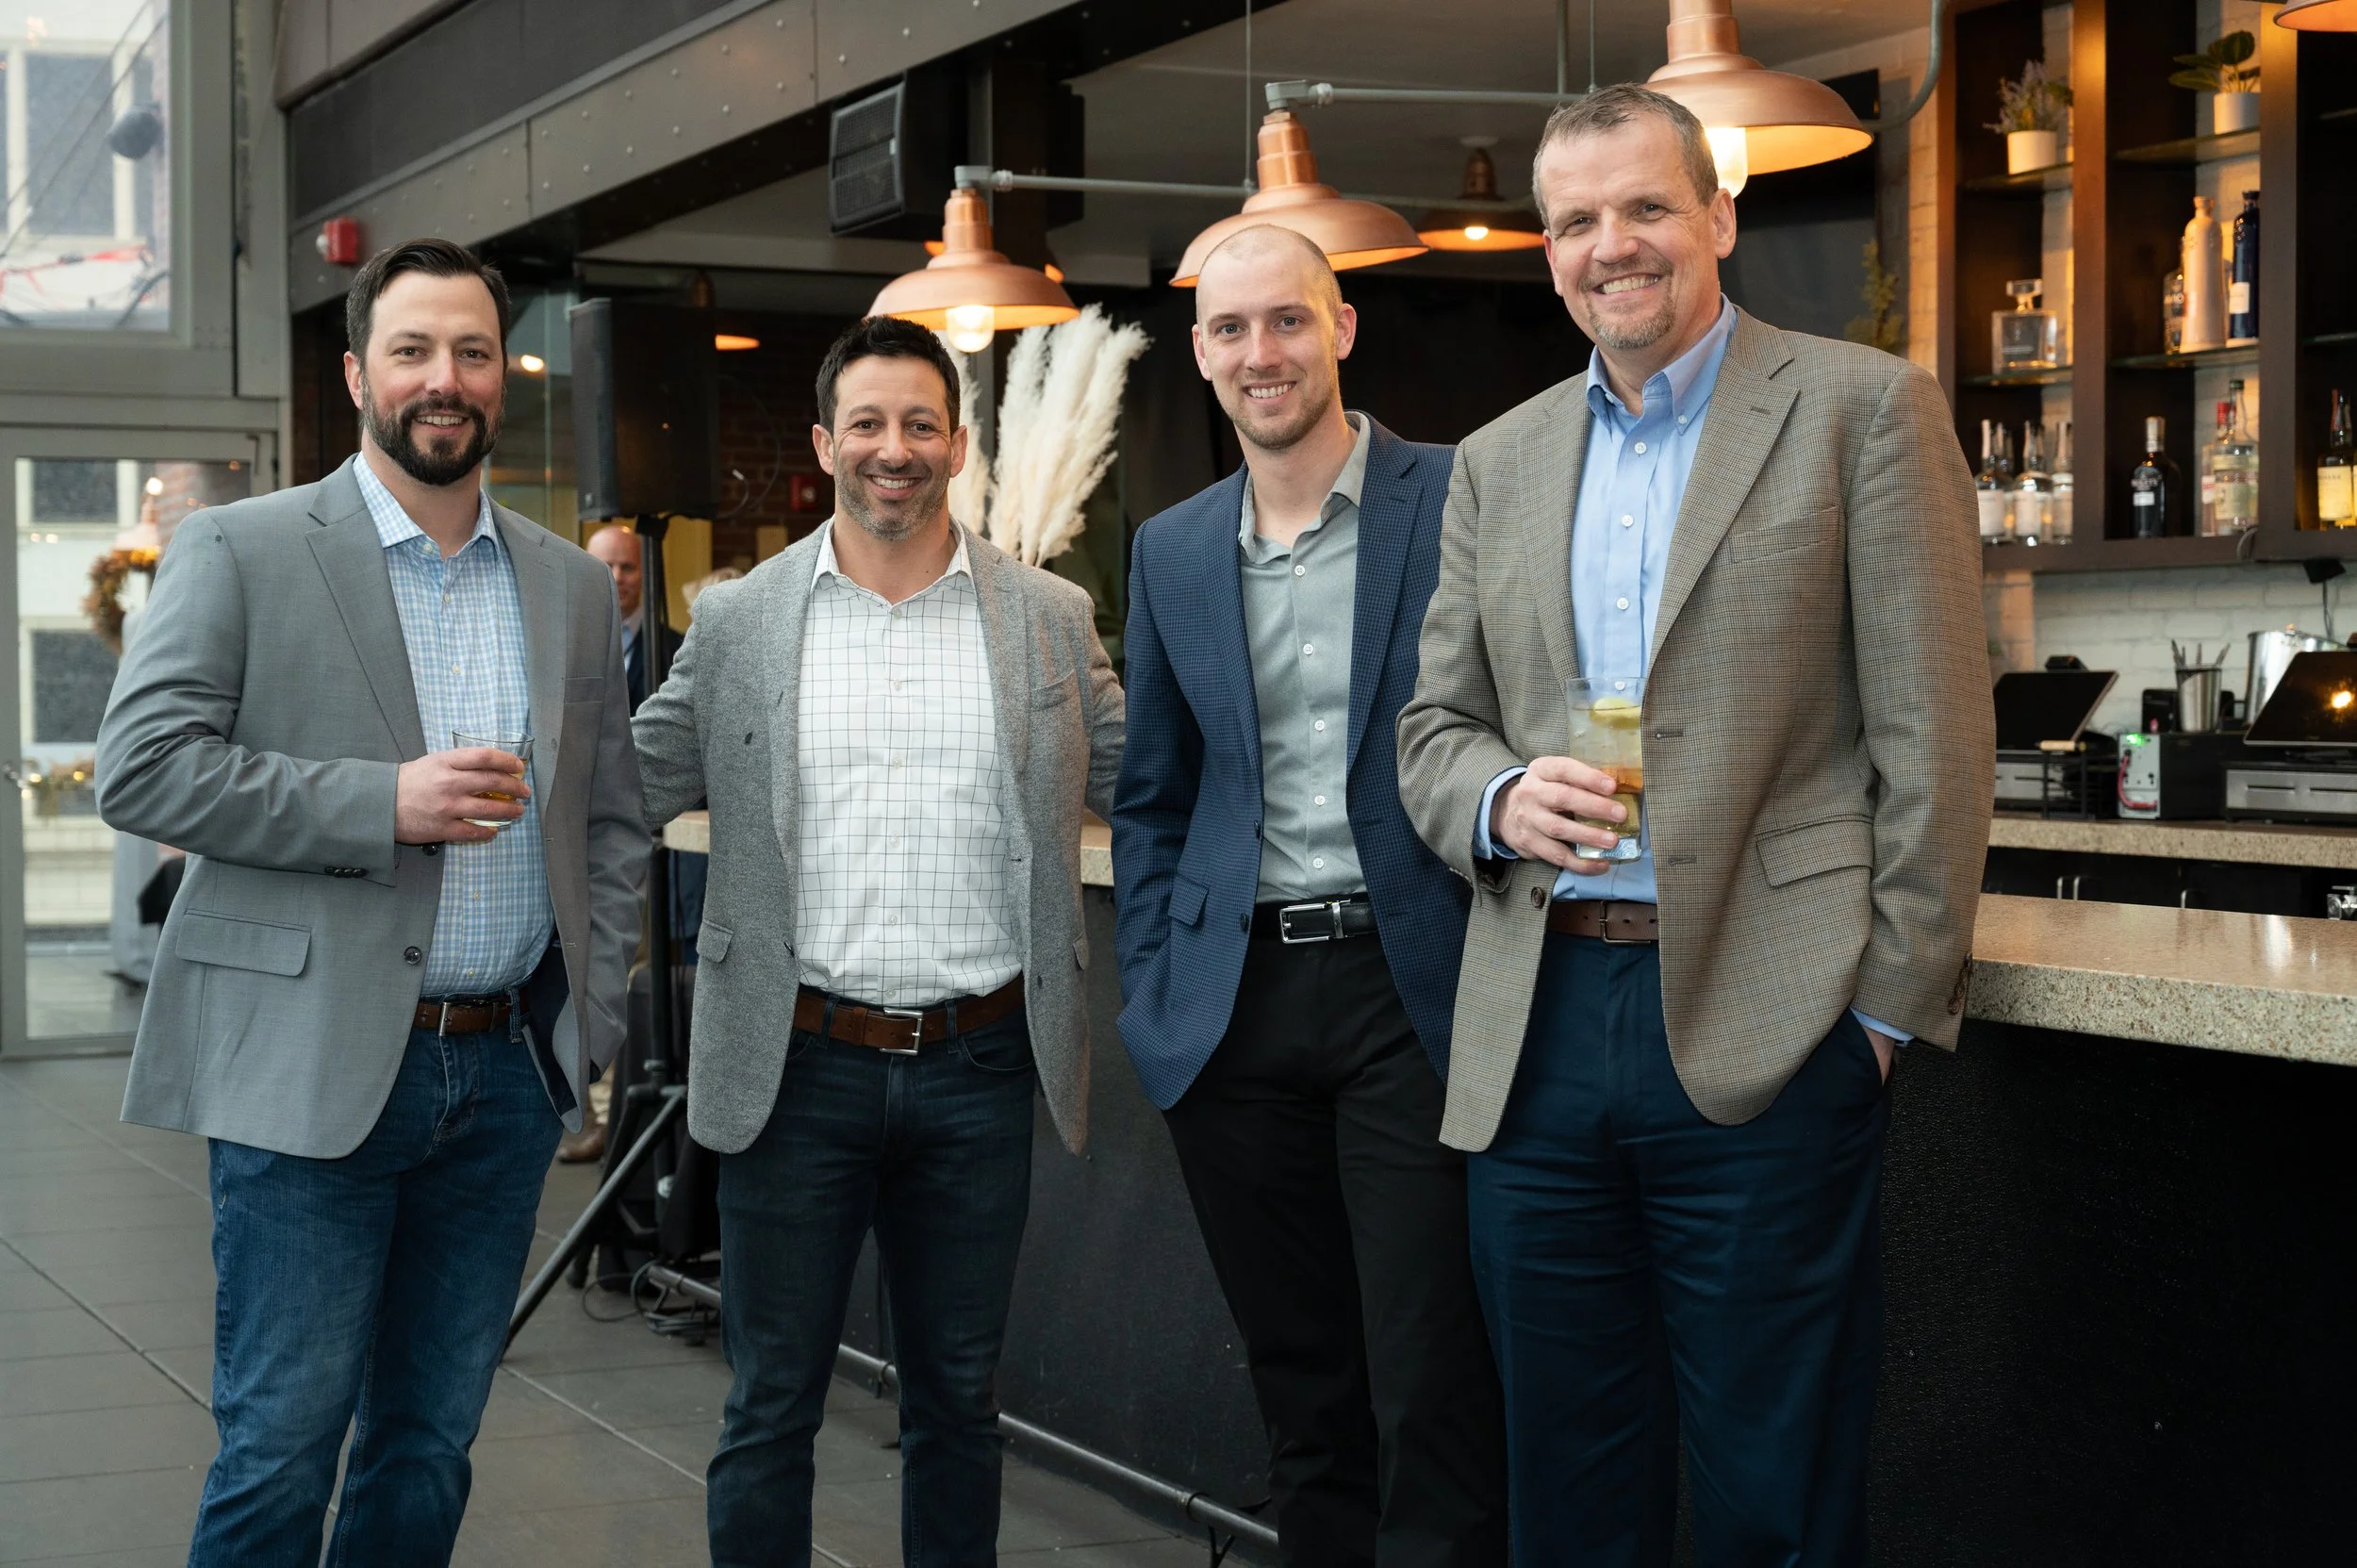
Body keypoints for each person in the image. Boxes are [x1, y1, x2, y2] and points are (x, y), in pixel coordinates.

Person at [1394, 85, 1993, 1565]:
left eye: (1646, 207)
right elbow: (1430, 731)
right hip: (1537, 1030)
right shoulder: (1499, 458)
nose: (1614, 246)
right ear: (1547, 252)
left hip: (1774, 1017)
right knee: (1568, 1489)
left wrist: (1881, 1014)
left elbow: (1935, 731)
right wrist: (1495, 795)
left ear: (1720, 216)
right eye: (1577, 221)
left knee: (1770, 1493)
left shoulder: (1862, 408)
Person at [95, 237, 648, 1567]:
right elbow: (143, 766)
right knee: (281, 1444)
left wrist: (596, 1008)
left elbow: (614, 815)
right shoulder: (239, 546)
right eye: (412, 349)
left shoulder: (568, 582)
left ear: (499, 377)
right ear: (357, 370)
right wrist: (379, 802)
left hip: (504, 1074)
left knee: (428, 1440)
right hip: (312, 1073)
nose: (442, 377)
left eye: (470, 350)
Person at [632, 314, 1125, 1568]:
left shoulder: (1052, 618)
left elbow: (1145, 782)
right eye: (867, 422)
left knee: (957, 1399)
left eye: (919, 423)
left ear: (957, 444)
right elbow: (632, 774)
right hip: (797, 1067)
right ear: (822, 442)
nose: (892, 449)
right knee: (771, 1401)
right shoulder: (741, 618)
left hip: (978, 1066)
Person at [1112, 225, 1508, 1568]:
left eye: (1287, 321)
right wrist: (1159, 981)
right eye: (1230, 330)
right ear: (1202, 354)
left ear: (1342, 330)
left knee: (1431, 1373)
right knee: (1300, 1379)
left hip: (1417, 988)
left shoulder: (1459, 494)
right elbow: (1156, 790)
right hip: (1235, 1009)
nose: (1260, 352)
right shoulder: (1168, 548)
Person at [564, 523, 701, 1164]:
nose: (617, 579)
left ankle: (622, 1109)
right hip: (582, 844)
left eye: (628, 568)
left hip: (660, 850)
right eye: (607, 568)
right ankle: (591, 1112)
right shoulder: (564, 644)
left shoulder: (677, 650)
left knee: (638, 980)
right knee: (589, 974)